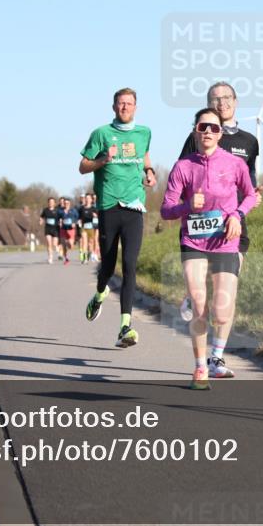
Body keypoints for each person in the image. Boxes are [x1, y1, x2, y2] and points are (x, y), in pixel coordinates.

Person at [162, 108, 256, 389]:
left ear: (220, 133)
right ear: (195, 130)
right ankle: (201, 367)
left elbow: (250, 195)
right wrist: (186, 206)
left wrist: (237, 216)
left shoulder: (234, 163)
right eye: (203, 127)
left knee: (223, 311)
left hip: (225, 240)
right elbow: (166, 209)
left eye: (214, 128)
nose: (208, 132)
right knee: (201, 305)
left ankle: (217, 355)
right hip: (193, 241)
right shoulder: (183, 166)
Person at [177, 82, 263, 370]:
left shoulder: (250, 141)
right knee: (203, 291)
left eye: (226, 98)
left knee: (226, 292)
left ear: (236, 102)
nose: (221, 103)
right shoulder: (200, 133)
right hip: (200, 227)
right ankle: (193, 295)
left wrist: (251, 199)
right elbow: (182, 178)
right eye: (215, 99)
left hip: (234, 223)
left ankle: (216, 357)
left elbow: (248, 180)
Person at [79, 88, 157, 348]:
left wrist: (149, 170)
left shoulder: (144, 132)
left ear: (136, 107)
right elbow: (82, 166)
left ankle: (125, 326)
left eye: (129, 103)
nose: (125, 107)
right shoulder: (100, 133)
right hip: (109, 205)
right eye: (121, 103)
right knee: (108, 266)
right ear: (114, 107)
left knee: (130, 264)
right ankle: (100, 292)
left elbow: (144, 154)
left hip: (135, 206)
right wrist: (103, 159)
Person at [58, 197, 79, 265]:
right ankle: (66, 258)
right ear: (63, 204)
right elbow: (57, 219)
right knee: (64, 245)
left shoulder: (73, 211)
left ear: (70, 204)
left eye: (67, 203)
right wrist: (59, 221)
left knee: (70, 244)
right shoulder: (60, 211)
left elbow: (77, 218)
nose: (66, 204)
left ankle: (69, 246)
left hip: (71, 229)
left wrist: (74, 223)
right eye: (65, 203)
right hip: (63, 229)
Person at [39, 197, 59, 264]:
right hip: (48, 228)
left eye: (52, 202)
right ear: (48, 203)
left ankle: (57, 247)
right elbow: (42, 216)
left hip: (55, 228)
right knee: (49, 243)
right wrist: (41, 221)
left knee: (54, 244)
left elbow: (61, 217)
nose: (51, 203)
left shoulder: (57, 210)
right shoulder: (45, 210)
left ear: (54, 203)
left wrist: (61, 221)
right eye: (49, 202)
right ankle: (50, 257)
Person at [79, 193, 96, 264]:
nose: (87, 199)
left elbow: (97, 218)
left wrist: (95, 216)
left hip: (91, 227)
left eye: (89, 198)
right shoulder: (82, 208)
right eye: (86, 198)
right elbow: (79, 217)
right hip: (84, 227)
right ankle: (84, 258)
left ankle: (89, 254)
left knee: (91, 243)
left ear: (91, 200)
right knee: (84, 242)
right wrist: (79, 221)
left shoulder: (94, 208)